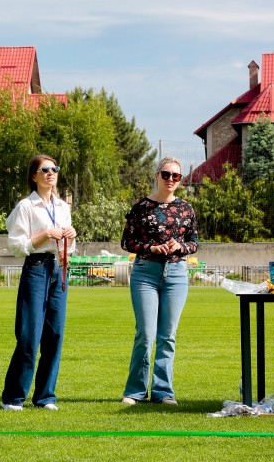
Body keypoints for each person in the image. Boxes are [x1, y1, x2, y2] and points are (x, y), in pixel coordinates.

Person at [120, 156, 198, 406]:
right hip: (146, 273)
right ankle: (135, 391)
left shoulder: (186, 209)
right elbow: (127, 242)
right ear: (156, 176)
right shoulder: (141, 207)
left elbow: (195, 243)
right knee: (146, 334)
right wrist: (151, 248)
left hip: (176, 274)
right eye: (166, 174)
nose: (171, 180)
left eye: (176, 176)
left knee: (168, 335)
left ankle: (163, 391)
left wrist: (180, 245)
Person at [1, 154, 76, 411]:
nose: (51, 173)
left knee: (54, 334)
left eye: (54, 168)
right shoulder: (25, 207)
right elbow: (16, 245)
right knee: (29, 334)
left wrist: (70, 237)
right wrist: (44, 235)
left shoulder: (63, 207)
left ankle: (46, 396)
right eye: (45, 169)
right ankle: (13, 396)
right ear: (34, 176)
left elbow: (70, 248)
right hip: (35, 268)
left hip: (59, 268)